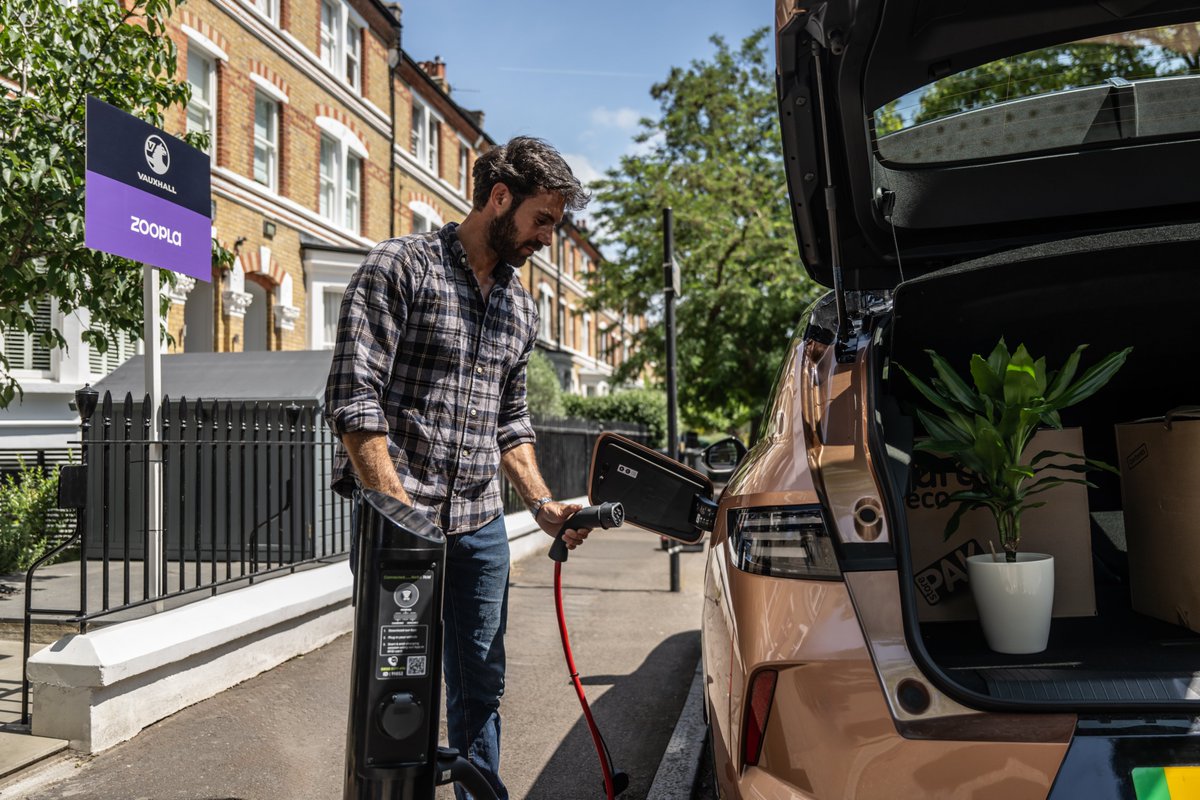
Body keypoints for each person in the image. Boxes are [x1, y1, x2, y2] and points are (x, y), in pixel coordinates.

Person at [324, 136, 592, 799]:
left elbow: (512, 422)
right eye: (543, 220)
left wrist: (541, 504)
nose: (546, 240)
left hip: (479, 525)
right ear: (500, 198)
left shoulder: (519, 306)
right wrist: (402, 516)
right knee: (396, 684)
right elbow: (354, 402)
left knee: (481, 681)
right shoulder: (398, 268)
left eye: (555, 226)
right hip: (399, 528)